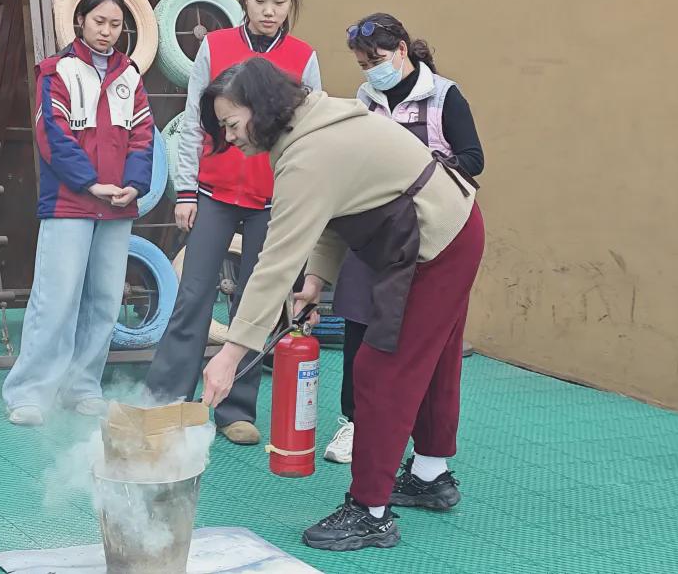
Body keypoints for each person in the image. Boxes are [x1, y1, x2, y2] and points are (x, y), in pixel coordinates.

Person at [198, 58, 484, 552]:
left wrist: (231, 352)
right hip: (452, 225)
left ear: (260, 107)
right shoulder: (313, 121)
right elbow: (338, 209)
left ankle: (370, 513)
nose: (230, 137)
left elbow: (274, 264)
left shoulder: (308, 153)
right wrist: (317, 280)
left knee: (382, 369)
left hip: (436, 245)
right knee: (433, 359)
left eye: (232, 124)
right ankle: (430, 475)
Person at [144, 0, 321, 445]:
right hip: (213, 194)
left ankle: (236, 410)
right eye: (260, 0)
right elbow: (192, 124)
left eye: (279, 2)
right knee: (193, 296)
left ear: (291, 3)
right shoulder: (216, 45)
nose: (269, 11)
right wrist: (185, 192)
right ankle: (167, 401)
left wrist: (299, 203)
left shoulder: (303, 57)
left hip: (272, 203)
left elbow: (311, 135)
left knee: (255, 304)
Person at [323, 13, 484, 465]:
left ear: (401, 50)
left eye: (376, 61)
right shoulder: (365, 99)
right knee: (357, 321)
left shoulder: (445, 95)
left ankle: (419, 441)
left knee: (416, 339)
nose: (370, 71)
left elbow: (474, 158)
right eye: (362, 65)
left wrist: (422, 166)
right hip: (374, 228)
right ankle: (354, 422)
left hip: (429, 234)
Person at [2, 0, 155, 427]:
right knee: (56, 298)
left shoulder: (130, 76)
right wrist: (91, 183)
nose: (106, 31)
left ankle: (83, 386)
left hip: (118, 206)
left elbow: (144, 137)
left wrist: (134, 185)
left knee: (105, 300)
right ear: (81, 21)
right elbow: (52, 136)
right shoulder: (56, 72)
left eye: (115, 24)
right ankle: (29, 392)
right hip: (69, 203)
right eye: (98, 21)